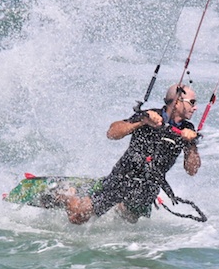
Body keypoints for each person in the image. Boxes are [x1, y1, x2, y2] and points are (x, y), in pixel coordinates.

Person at [61, 83, 201, 224]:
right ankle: (67, 194)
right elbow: (112, 133)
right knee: (78, 217)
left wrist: (191, 145)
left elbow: (192, 170)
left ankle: (118, 205)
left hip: (147, 189)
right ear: (177, 102)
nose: (195, 107)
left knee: (128, 220)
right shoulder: (149, 115)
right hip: (123, 178)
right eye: (192, 102)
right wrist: (142, 121)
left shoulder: (188, 129)